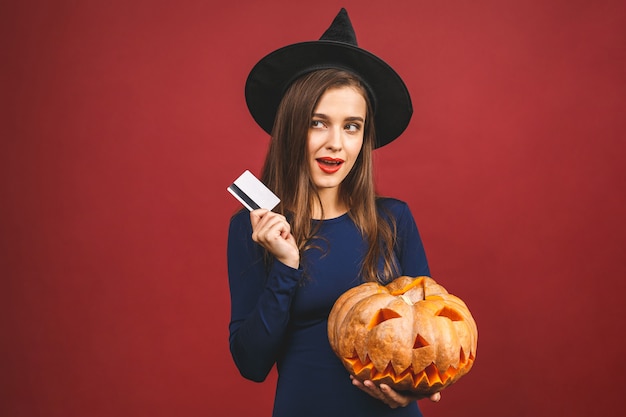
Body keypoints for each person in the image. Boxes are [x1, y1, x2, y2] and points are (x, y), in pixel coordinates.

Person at [227, 8, 440, 417]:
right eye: (318, 123)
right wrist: (287, 265)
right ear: (292, 128)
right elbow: (251, 364)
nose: (336, 144)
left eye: (352, 126)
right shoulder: (254, 229)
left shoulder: (394, 220)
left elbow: (431, 334)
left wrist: (414, 390)